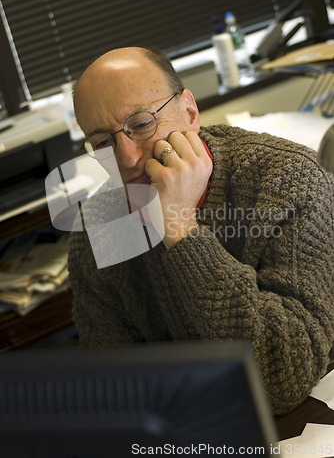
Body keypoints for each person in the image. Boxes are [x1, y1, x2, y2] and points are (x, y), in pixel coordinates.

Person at [68, 46, 334, 415]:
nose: (128, 158)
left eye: (142, 124)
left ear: (189, 113)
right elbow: (117, 392)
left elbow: (281, 382)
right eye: (104, 142)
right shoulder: (96, 228)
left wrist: (180, 228)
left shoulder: (288, 181)